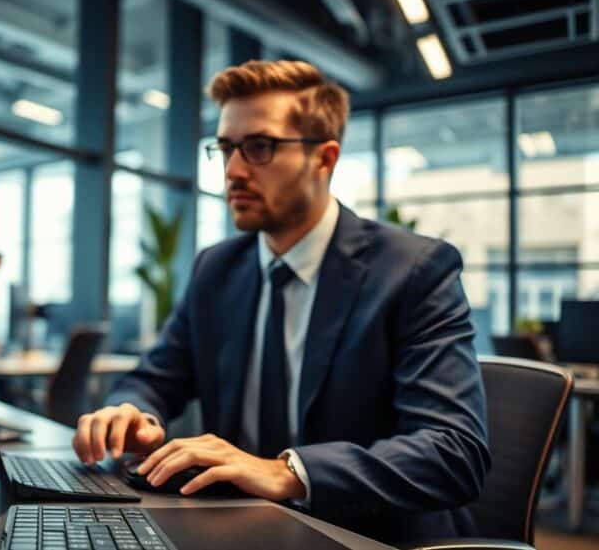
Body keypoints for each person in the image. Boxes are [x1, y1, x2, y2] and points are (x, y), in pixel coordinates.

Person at [72, 60, 490, 543]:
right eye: (226, 149)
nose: (232, 171)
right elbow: (153, 379)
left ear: (324, 159)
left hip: (368, 535)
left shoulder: (413, 270)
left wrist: (289, 471)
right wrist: (133, 414)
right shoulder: (217, 269)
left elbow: (453, 450)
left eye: (259, 147)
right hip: (239, 530)